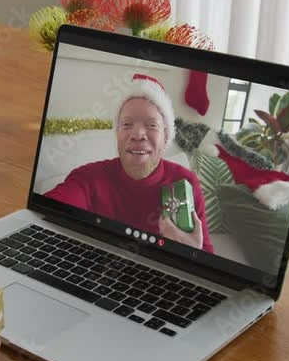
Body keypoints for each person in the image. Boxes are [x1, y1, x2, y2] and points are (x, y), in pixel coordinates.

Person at [45, 74, 214, 253]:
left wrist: (193, 253)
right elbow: (44, 212)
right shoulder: (87, 179)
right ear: (117, 134)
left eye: (151, 125)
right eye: (127, 124)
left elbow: (209, 261)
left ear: (166, 137)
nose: (138, 134)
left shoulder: (186, 182)